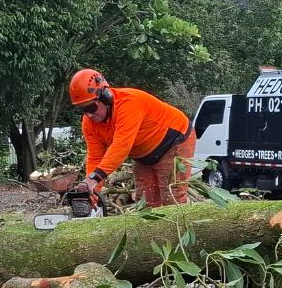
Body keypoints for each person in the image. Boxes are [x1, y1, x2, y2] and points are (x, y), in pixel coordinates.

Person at [69, 68, 196, 208]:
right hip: (143, 155)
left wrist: (95, 178)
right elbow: (95, 157)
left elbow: (121, 146)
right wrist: (92, 194)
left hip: (174, 142)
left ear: (105, 97)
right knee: (145, 202)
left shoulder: (128, 104)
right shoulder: (89, 123)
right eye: (83, 110)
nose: (89, 115)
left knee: (172, 198)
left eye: (91, 108)